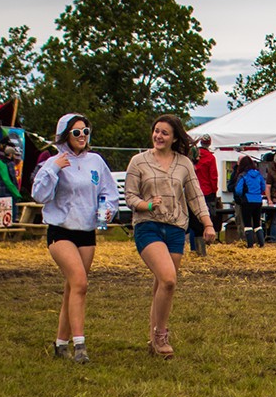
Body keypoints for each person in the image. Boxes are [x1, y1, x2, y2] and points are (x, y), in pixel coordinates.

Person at [124, 114, 216, 359]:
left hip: (176, 228)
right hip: (148, 226)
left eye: (164, 133)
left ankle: (153, 338)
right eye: (156, 131)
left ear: (175, 137)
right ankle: (161, 335)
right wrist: (146, 205)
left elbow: (195, 196)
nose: (158, 136)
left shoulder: (184, 163)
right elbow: (130, 196)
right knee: (168, 280)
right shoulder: (138, 161)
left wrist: (207, 224)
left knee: (162, 285)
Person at [31, 113, 119, 364]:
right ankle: (80, 345)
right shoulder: (53, 162)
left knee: (73, 288)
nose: (82, 136)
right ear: (65, 135)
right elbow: (39, 195)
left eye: (86, 131)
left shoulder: (96, 161)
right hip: (61, 231)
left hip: (87, 232)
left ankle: (60, 344)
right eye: (76, 132)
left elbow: (108, 192)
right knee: (80, 282)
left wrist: (107, 210)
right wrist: (53, 168)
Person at [189, 134, 219, 252]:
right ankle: (203, 248)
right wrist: (214, 191)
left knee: (193, 220)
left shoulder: (193, 156)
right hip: (207, 192)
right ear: (209, 143)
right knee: (205, 219)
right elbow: (213, 176)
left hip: (192, 190)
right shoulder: (211, 158)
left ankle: (193, 248)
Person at [233, 156, 266, 248]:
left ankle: (250, 245)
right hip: (258, 200)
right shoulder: (258, 174)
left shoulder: (243, 175)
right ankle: (261, 243)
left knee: (247, 224)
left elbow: (238, 190)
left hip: (247, 200)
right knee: (257, 223)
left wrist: (243, 195)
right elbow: (263, 187)